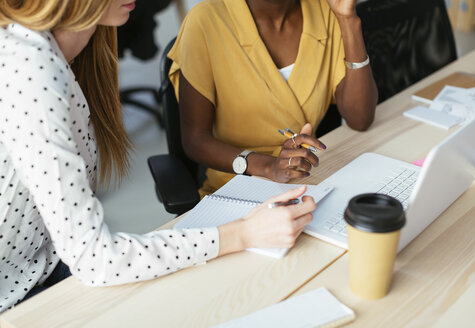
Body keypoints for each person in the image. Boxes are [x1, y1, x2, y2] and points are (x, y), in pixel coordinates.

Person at [0, 0, 316, 312]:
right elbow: (97, 260)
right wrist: (244, 233)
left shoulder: (67, 52)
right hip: (14, 295)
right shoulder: (30, 68)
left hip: (43, 264)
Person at [168, 0, 378, 197]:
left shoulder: (325, 10)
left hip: (309, 183)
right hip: (236, 191)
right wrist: (269, 166)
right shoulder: (205, 20)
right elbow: (195, 140)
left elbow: (360, 118)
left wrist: (348, 20)